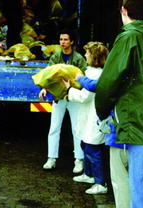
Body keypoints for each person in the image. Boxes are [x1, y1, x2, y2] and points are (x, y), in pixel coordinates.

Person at [95, 0, 143, 207]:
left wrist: (101, 113)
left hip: (139, 126)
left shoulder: (129, 37)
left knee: (141, 193)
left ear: (123, 10)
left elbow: (108, 84)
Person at [75, 74, 130, 207]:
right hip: (141, 135)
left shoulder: (120, 67)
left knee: (120, 181)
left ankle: (101, 184)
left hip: (122, 135)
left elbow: (98, 85)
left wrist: (79, 78)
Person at [39, 29, 87, 173]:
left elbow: (83, 76)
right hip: (59, 97)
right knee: (54, 128)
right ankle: (51, 159)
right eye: (61, 40)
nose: (63, 42)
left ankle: (79, 160)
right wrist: (44, 88)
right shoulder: (55, 57)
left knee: (76, 129)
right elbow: (48, 75)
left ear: (72, 42)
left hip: (73, 97)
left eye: (65, 39)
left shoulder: (79, 58)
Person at [63, 41, 108, 194]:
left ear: (93, 56)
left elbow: (84, 97)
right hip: (88, 116)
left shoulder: (94, 75)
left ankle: (101, 183)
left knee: (93, 150)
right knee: (85, 145)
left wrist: (69, 90)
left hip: (93, 117)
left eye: (88, 53)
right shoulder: (91, 72)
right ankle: (89, 175)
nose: (85, 55)